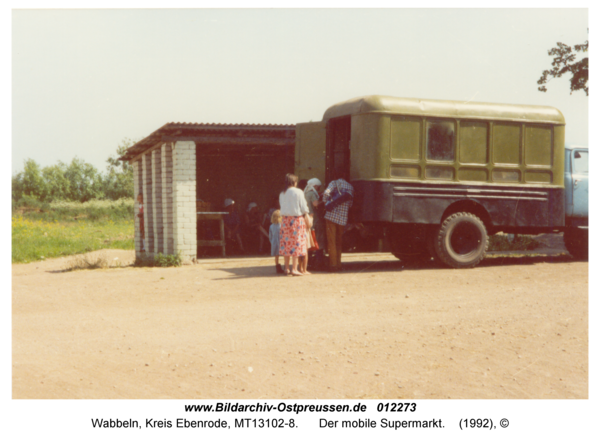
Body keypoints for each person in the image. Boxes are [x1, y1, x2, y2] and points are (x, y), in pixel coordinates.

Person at [279, 173, 310, 276]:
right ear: (294, 182)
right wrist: (307, 215)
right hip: (296, 220)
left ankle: (286, 268)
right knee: (296, 243)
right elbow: (304, 207)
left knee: (286, 243)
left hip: (285, 220)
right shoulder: (298, 192)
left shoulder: (282, 193)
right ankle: (294, 269)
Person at [322, 175, 354, 272]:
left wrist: (325, 203)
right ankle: (338, 264)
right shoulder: (350, 187)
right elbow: (350, 203)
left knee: (331, 241)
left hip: (331, 217)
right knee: (338, 242)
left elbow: (326, 193)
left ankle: (333, 265)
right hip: (343, 219)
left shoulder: (334, 183)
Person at [303, 177, 327, 270]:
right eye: (318, 187)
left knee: (309, 242)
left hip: (307, 219)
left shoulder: (305, 192)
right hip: (315, 220)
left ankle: (308, 263)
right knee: (319, 241)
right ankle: (319, 263)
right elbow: (316, 204)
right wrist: (324, 201)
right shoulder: (312, 193)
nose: (319, 189)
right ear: (315, 186)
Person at [269, 209, 284, 274]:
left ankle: (277, 266)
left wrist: (272, 242)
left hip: (274, 243)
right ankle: (286, 266)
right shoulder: (282, 225)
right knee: (285, 255)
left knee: (276, 256)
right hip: (281, 242)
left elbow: (270, 236)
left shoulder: (271, 226)